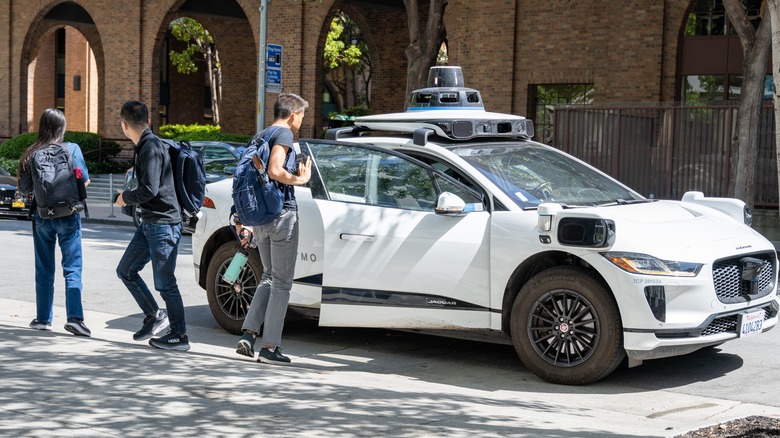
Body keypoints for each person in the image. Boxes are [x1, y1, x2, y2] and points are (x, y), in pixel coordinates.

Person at [235, 92, 311, 365]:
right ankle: (270, 348)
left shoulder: (261, 135)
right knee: (281, 283)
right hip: (281, 215)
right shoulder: (284, 135)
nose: (302, 120)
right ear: (293, 115)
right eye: (302, 115)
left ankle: (249, 334)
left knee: (268, 276)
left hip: (262, 218)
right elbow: (276, 170)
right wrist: (300, 180)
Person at [114, 100, 188, 351]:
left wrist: (125, 197)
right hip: (150, 223)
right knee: (126, 270)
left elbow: (150, 189)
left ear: (124, 125)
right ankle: (155, 315)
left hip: (164, 224)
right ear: (148, 121)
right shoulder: (145, 145)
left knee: (165, 283)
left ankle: (180, 335)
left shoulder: (150, 147)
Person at [18, 108, 92, 337]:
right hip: (69, 215)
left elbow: (24, 190)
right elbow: (85, 181)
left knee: (44, 268)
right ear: (61, 127)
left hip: (42, 217)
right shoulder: (73, 149)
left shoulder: (31, 153)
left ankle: (42, 319)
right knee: (72, 268)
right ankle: (75, 319)